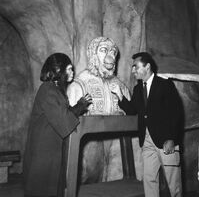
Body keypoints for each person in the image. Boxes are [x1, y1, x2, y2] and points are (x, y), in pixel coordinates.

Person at [67, 37, 142, 183]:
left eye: (113, 52)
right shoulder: (79, 85)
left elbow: (132, 112)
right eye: (103, 50)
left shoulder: (120, 86)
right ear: (93, 54)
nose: (110, 57)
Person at [111, 52, 183, 197]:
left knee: (173, 183)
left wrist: (172, 138)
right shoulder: (138, 89)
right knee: (149, 180)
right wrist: (120, 96)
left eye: (135, 67)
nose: (133, 71)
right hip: (147, 141)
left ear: (148, 66)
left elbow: (177, 113)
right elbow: (132, 110)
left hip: (165, 141)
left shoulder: (165, 84)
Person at [23, 52, 92, 197]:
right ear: (59, 71)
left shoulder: (55, 90)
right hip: (44, 150)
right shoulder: (48, 90)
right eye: (69, 69)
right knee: (43, 188)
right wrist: (80, 107)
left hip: (52, 146)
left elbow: (63, 115)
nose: (72, 72)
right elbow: (64, 119)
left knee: (53, 187)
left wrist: (80, 105)